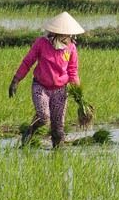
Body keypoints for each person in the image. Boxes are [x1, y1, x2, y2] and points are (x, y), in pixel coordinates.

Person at [9, 12, 83, 149]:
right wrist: (16, 80)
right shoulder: (41, 43)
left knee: (58, 127)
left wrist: (78, 94)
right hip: (41, 87)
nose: (67, 39)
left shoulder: (71, 48)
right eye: (64, 36)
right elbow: (28, 62)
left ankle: (58, 153)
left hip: (60, 90)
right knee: (43, 117)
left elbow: (72, 71)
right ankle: (30, 131)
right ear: (55, 33)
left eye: (68, 36)